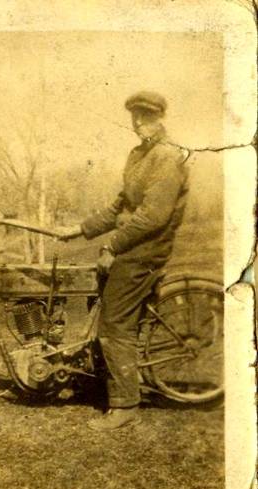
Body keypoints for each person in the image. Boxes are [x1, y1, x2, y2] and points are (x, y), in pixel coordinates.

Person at [58, 91, 189, 431]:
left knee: (115, 326)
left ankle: (125, 405)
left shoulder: (167, 157)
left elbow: (152, 217)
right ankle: (97, 383)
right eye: (134, 117)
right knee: (101, 312)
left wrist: (112, 246)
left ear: (160, 117)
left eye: (145, 116)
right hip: (131, 248)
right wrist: (79, 230)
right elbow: (120, 207)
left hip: (145, 251)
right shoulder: (138, 156)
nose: (138, 123)